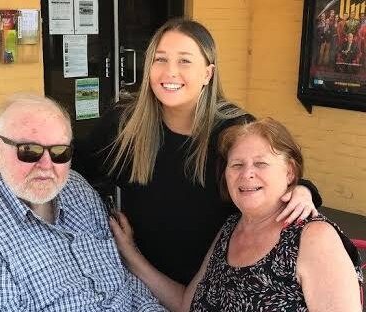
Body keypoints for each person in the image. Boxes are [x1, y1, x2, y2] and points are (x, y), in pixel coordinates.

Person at [72, 18, 322, 285]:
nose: (170, 72)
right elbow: (73, 167)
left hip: (217, 286)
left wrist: (303, 190)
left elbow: (275, 177)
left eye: (185, 61)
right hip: (143, 283)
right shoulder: (125, 123)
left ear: (208, 73)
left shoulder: (235, 129)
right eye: (160, 59)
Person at [111, 117, 363, 312]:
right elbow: (186, 304)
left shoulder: (313, 238)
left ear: (289, 172)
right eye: (237, 165)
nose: (247, 174)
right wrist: (130, 254)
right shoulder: (231, 227)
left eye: (261, 163)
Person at [0, 93, 167, 311]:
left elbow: (125, 280)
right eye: (29, 151)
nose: (46, 165)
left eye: (60, 152)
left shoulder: (76, 188)